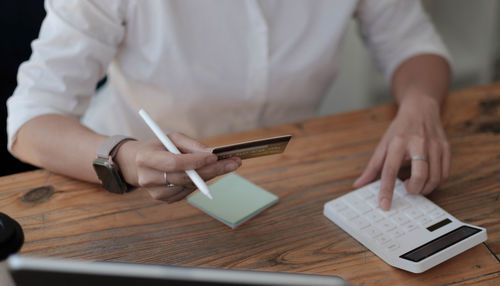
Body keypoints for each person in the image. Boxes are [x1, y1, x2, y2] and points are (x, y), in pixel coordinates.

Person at [7, 0, 451, 209]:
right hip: (129, 193)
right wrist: (124, 159)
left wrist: (420, 105)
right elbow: (29, 120)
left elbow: (412, 44)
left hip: (288, 184)